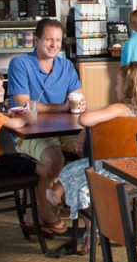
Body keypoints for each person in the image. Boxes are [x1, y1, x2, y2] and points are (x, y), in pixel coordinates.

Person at [48, 62, 137, 251]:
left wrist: (84, 130)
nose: (115, 87)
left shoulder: (121, 108)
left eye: (117, 83)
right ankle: (66, 202)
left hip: (113, 169)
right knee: (76, 172)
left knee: (74, 171)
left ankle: (90, 223)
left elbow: (84, 118)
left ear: (128, 86)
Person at [0, 68, 61, 234]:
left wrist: (12, 115)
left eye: (2, 85)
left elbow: (4, 120)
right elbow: (16, 125)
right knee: (41, 169)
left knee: (33, 165)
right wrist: (27, 117)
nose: (2, 89)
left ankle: (35, 214)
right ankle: (42, 212)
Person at [7, 18, 85, 189]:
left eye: (58, 40)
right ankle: (46, 206)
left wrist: (79, 104)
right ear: (36, 40)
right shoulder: (20, 64)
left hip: (65, 130)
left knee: (90, 150)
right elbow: (24, 105)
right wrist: (61, 107)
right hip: (30, 131)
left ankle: (68, 197)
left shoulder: (66, 66)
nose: (54, 45)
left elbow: (77, 97)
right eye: (49, 39)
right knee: (55, 159)